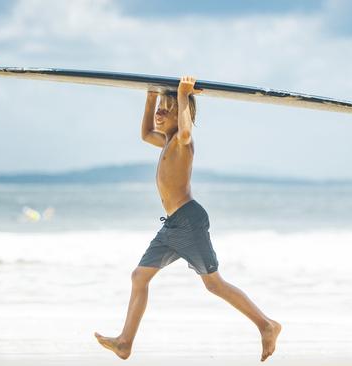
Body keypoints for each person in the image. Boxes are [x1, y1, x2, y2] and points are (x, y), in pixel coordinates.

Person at [95, 76, 281, 362]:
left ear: (181, 116)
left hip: (189, 221)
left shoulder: (183, 142)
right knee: (139, 277)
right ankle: (125, 343)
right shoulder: (166, 140)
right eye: (159, 109)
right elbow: (145, 134)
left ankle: (266, 325)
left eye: (165, 110)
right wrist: (150, 96)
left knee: (213, 284)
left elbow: (185, 131)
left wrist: (182, 95)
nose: (160, 113)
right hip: (172, 225)